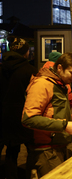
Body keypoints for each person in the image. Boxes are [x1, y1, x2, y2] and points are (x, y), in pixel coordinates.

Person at [22, 53, 72, 177]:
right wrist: (64, 125)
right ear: (59, 68)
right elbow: (28, 119)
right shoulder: (42, 84)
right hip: (45, 150)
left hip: (57, 146)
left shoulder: (59, 84)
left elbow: (52, 113)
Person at [0, 37, 38, 179]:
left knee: (11, 151)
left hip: (5, 115)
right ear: (25, 52)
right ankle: (30, 175)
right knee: (32, 149)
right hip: (25, 114)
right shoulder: (30, 70)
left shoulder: (2, 69)